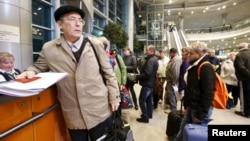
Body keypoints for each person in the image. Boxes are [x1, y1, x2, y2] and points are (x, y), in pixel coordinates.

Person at [16, 5, 120, 141]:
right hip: (73, 113)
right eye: (72, 19)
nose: (78, 24)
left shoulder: (95, 44)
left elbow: (108, 73)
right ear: (60, 24)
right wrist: (29, 72)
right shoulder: (49, 48)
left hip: (99, 109)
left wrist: (114, 97)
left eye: (80, 20)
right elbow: (38, 67)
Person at [171, 42, 215, 141]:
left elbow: (208, 93)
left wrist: (200, 114)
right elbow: (192, 87)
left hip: (199, 109)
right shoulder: (195, 65)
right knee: (183, 130)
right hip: (192, 106)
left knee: (195, 135)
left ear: (200, 53)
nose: (188, 56)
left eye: (191, 53)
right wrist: (186, 100)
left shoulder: (205, 67)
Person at [136, 45, 158, 123]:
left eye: (147, 50)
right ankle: (149, 114)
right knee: (148, 99)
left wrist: (138, 77)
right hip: (151, 83)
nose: (146, 51)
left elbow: (147, 73)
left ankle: (145, 118)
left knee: (141, 100)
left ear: (151, 51)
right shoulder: (154, 59)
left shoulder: (151, 60)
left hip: (147, 83)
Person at [234, 42, 250, 118]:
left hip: (244, 78)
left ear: (239, 48)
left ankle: (244, 112)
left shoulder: (239, 55)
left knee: (244, 95)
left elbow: (241, 67)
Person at [164, 48, 182, 113]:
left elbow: (176, 71)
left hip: (173, 82)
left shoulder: (176, 60)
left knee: (172, 97)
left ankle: (173, 111)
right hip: (171, 81)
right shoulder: (173, 59)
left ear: (172, 53)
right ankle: (173, 110)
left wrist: (174, 81)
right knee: (171, 96)